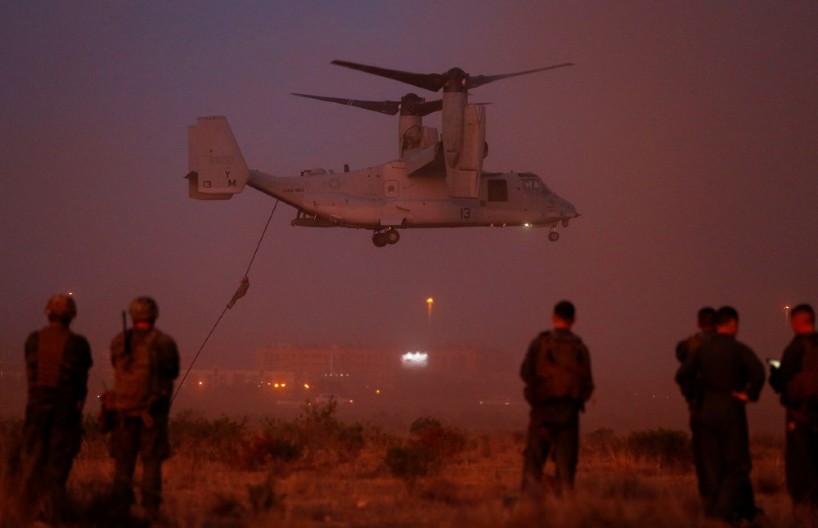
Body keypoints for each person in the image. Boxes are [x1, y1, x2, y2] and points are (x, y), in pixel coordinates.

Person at [675, 305, 765, 525]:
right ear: (733, 324)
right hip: (731, 409)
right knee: (737, 465)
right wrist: (748, 394)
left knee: (709, 465)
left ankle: (715, 513)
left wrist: (695, 395)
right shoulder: (739, 349)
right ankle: (724, 511)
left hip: (704, 410)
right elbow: (758, 372)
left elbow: (682, 375)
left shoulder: (701, 350)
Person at [21, 294, 92, 521]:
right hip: (64, 411)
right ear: (71, 316)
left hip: (36, 410)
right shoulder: (78, 344)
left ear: (48, 312)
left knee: (33, 461)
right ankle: (51, 513)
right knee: (58, 466)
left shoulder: (33, 340)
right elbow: (81, 384)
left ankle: (29, 510)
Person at [107, 296, 179, 519]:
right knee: (151, 463)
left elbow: (115, 365)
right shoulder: (163, 343)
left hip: (123, 414)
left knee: (123, 463)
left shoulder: (119, 341)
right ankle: (151, 510)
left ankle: (120, 510)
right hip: (151, 414)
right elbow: (172, 371)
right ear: (154, 315)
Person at [520, 300, 593, 495]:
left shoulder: (540, 343)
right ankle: (564, 514)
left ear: (553, 318)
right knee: (566, 470)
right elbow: (588, 383)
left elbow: (525, 373)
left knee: (533, 465)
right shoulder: (580, 348)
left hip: (542, 413)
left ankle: (528, 512)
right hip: (569, 415)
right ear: (574, 320)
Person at [769, 303, 818, 526]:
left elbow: (781, 382)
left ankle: (804, 512)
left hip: (800, 415)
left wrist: (775, 373)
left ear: (796, 322)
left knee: (800, 464)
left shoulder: (795, 348)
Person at [675, 306, 717, 502]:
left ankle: (709, 501)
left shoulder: (690, 346)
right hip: (728, 409)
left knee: (702, 454)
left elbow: (682, 375)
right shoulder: (731, 346)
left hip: (699, 405)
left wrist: (690, 396)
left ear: (699, 323)